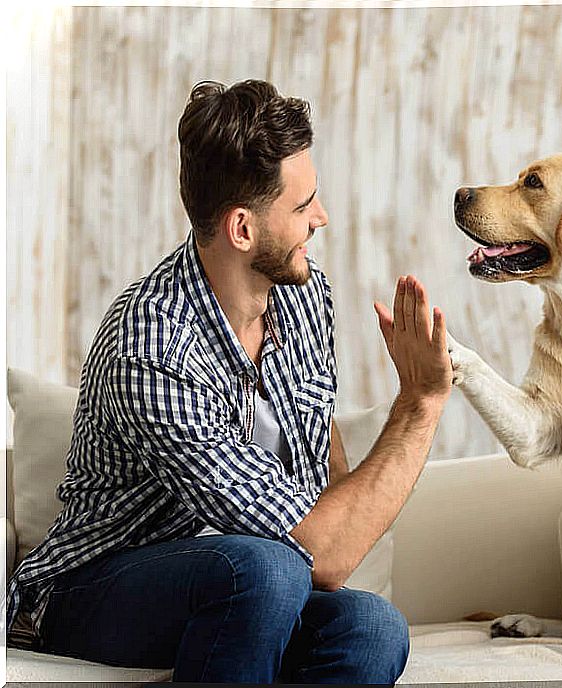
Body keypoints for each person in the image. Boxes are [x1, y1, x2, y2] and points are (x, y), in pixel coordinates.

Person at [5, 79, 454, 684]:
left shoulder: (305, 297)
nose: (321, 218)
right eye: (302, 207)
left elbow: (327, 481)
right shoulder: (153, 345)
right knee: (267, 570)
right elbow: (320, 556)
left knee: (371, 628)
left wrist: (338, 516)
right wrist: (419, 405)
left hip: (247, 587)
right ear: (242, 228)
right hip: (92, 587)